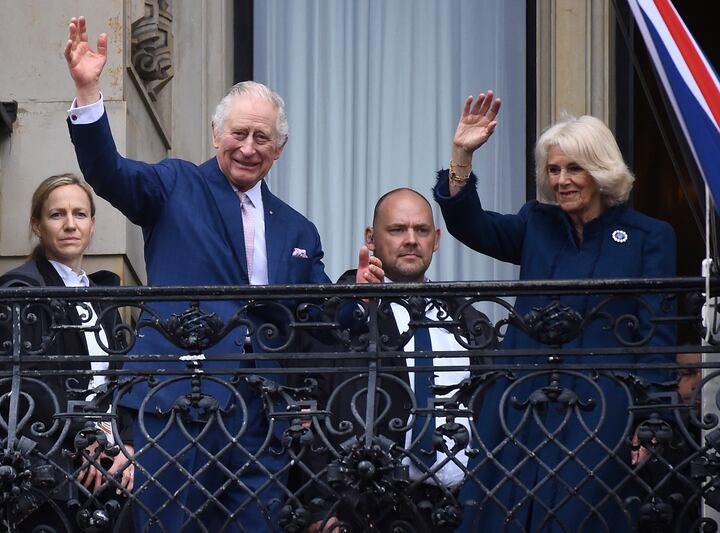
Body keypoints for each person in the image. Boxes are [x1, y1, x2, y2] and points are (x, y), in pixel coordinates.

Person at [63, 16, 382, 532]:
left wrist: (361, 293)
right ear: (217, 134)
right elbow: (109, 172)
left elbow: (323, 311)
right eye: (239, 133)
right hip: (174, 399)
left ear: (277, 149)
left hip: (260, 413)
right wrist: (87, 91)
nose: (248, 147)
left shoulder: (298, 229)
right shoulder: (175, 185)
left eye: (262, 137)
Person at [432, 92, 677, 532]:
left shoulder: (648, 236)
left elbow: (654, 330)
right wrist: (462, 156)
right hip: (521, 403)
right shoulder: (536, 223)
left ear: (601, 170)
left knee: (578, 515)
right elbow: (471, 225)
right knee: (498, 513)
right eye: (554, 169)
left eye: (574, 167)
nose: (562, 179)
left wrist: (653, 417)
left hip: (600, 408)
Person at [299, 188, 495, 532]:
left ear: (436, 240)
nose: (410, 240)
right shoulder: (343, 315)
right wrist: (319, 510)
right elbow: (308, 409)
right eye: (397, 229)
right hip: (364, 509)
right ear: (371, 238)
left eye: (420, 231)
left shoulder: (466, 317)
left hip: (458, 509)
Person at [0, 174, 134, 532]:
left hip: (111, 460)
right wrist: (85, 439)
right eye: (57, 215)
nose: (70, 225)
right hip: (48, 461)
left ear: (92, 225)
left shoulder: (104, 296)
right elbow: (21, 381)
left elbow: (129, 379)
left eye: (80, 214)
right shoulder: (18, 289)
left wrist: (129, 446)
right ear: (37, 225)